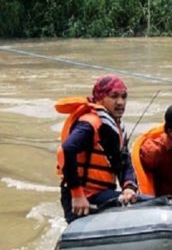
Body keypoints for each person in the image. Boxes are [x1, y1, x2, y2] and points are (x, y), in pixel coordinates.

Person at [56, 75, 137, 223]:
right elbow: (65, 150)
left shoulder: (116, 127)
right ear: (100, 98)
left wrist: (129, 187)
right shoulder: (90, 124)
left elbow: (124, 162)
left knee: (142, 201)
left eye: (124, 97)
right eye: (114, 96)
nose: (120, 102)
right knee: (143, 205)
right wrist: (77, 195)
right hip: (84, 197)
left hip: (101, 194)